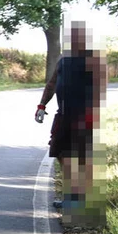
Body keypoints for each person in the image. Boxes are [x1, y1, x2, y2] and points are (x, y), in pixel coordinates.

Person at [35, 21, 107, 217]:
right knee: (59, 152)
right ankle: (74, 197)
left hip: (84, 115)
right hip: (63, 115)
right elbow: (51, 84)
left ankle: (81, 201)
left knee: (82, 158)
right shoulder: (63, 60)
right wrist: (42, 105)